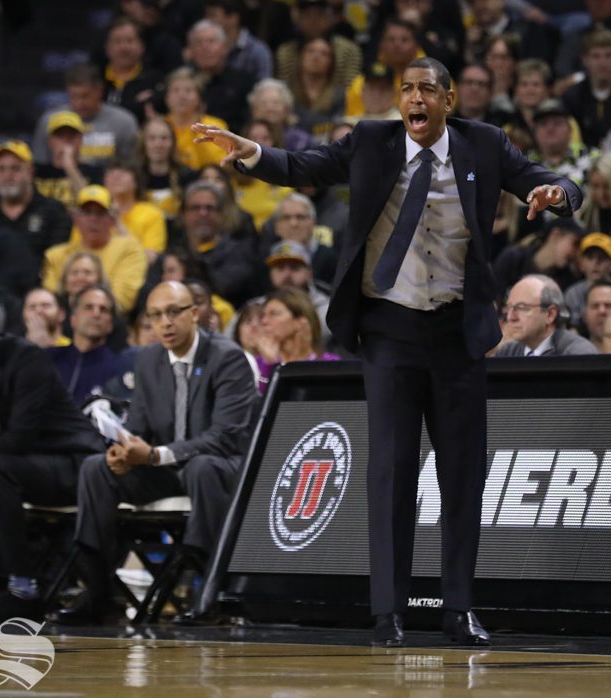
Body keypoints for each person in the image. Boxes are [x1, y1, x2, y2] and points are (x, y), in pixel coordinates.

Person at [193, 55, 581, 647]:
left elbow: (544, 180)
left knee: (463, 475)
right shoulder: (372, 140)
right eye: (406, 90)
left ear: (449, 101)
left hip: (457, 333)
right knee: (391, 471)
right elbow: (304, 165)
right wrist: (250, 151)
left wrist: (555, 194)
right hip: (389, 330)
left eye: (427, 89)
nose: (415, 99)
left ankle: (458, 608)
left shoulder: (484, 144)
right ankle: (387, 613)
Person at [49, 281, 256, 625]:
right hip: (167, 470)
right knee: (95, 469)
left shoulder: (227, 357)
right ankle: (99, 594)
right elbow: (140, 429)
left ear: (194, 314)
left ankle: (212, 594)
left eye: (174, 312)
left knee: (201, 467)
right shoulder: (148, 360)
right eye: (156, 316)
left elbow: (223, 438)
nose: (165, 323)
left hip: (222, 467)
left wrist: (155, 455)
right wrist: (122, 451)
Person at [0, 294, 104, 621]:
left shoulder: (24, 357)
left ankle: (22, 587)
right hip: (27, 467)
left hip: (76, 465)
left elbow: (20, 439)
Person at [42, 185, 148, 315]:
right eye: (87, 213)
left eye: (100, 213)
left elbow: (121, 302)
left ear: (112, 218)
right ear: (76, 218)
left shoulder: (128, 248)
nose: (93, 219)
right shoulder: (55, 255)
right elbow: (49, 304)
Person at [32, 62, 140, 168]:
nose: (80, 103)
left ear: (99, 90)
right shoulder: (50, 120)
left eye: (85, 96)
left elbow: (130, 168)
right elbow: (40, 165)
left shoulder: (124, 122)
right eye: (74, 96)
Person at [46, 285, 120, 404]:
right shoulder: (48, 359)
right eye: (88, 307)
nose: (96, 314)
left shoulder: (117, 369)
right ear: (73, 319)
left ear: (110, 324)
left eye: (103, 309)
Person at [494, 275, 597, 357]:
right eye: (509, 308)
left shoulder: (577, 353)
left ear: (550, 315)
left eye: (521, 307)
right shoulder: (508, 352)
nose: (511, 317)